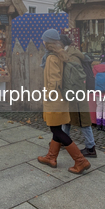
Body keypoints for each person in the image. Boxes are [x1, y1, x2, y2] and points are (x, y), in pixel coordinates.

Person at [37, 29, 91, 174]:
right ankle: (51, 157)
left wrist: (48, 95)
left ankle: (81, 161)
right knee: (57, 129)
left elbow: (54, 80)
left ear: (47, 42)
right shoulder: (60, 55)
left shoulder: (51, 58)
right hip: (61, 98)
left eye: (43, 40)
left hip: (55, 99)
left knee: (56, 130)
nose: (42, 42)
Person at [59, 35, 98, 158]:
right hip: (72, 92)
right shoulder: (67, 54)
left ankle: (91, 147)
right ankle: (63, 140)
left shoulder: (72, 58)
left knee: (83, 120)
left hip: (76, 93)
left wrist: (69, 93)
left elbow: (76, 78)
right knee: (67, 119)